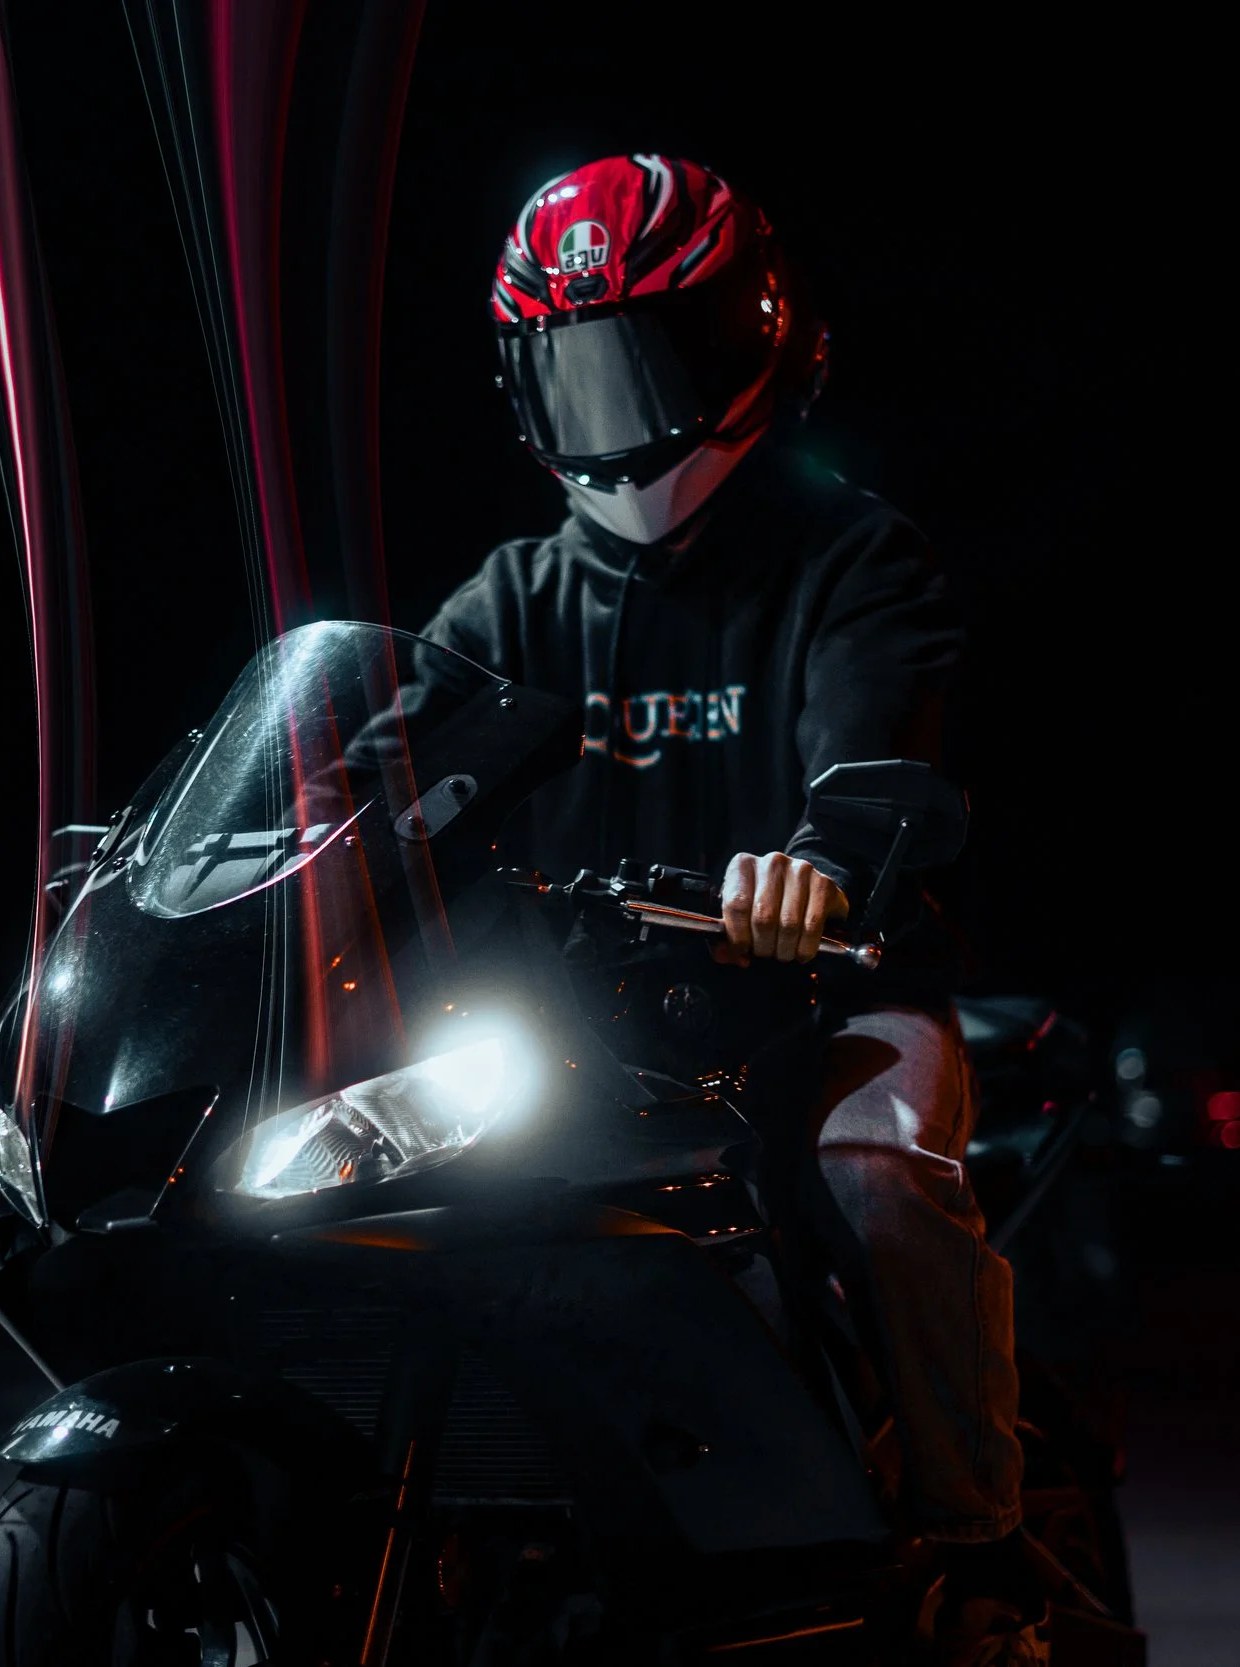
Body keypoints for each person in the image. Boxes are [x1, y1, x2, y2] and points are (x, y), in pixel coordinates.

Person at [420, 155, 1037, 1664]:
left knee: (879, 1171)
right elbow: (374, 764)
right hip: (583, 1036)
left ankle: (980, 1559)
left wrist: (822, 859)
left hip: (824, 1001)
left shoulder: (850, 557)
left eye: (643, 361)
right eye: (573, 370)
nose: (611, 412)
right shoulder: (509, 602)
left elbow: (876, 747)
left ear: (742, 341)